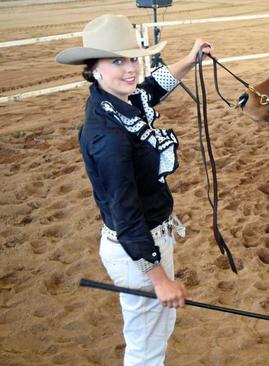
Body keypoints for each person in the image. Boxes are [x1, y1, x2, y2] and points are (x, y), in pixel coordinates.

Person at [55, 14, 214, 365]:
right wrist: (158, 278)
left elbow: (152, 88)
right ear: (92, 68)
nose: (130, 69)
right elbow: (125, 216)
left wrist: (189, 59)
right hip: (137, 250)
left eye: (131, 59)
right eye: (117, 61)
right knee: (146, 347)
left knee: (156, 330)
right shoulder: (107, 136)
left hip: (150, 238)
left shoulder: (118, 103)